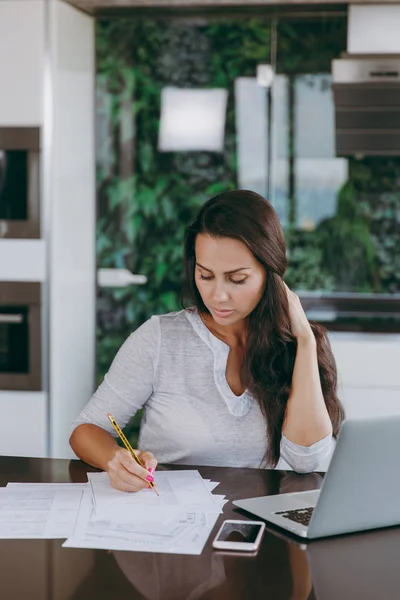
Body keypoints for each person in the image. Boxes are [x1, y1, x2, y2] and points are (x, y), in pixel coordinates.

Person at [69, 190, 345, 492]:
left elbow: (308, 461)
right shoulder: (159, 338)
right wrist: (115, 458)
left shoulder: (296, 344)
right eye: (205, 275)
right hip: (169, 520)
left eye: (237, 279)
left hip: (254, 525)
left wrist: (305, 341)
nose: (217, 295)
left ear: (271, 275)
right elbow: (86, 430)